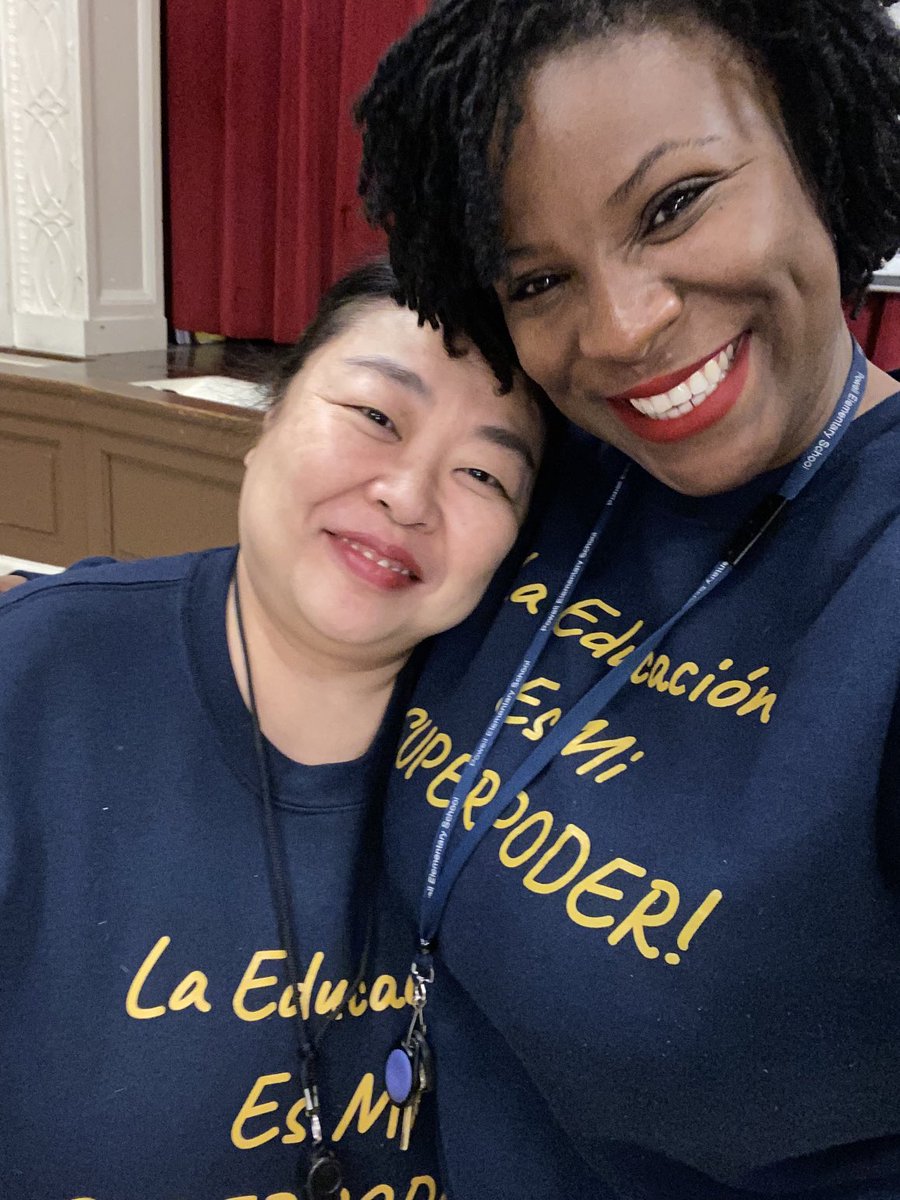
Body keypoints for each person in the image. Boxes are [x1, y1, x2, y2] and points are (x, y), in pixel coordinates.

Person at [352, 2, 900, 1197]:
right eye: (541, 277)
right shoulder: (535, 473)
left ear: (818, 146)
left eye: (675, 204)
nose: (623, 325)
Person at [0, 261, 546, 1200]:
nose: (409, 497)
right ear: (267, 417)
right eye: (377, 416)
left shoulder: (535, 750)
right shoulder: (40, 674)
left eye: (484, 473)